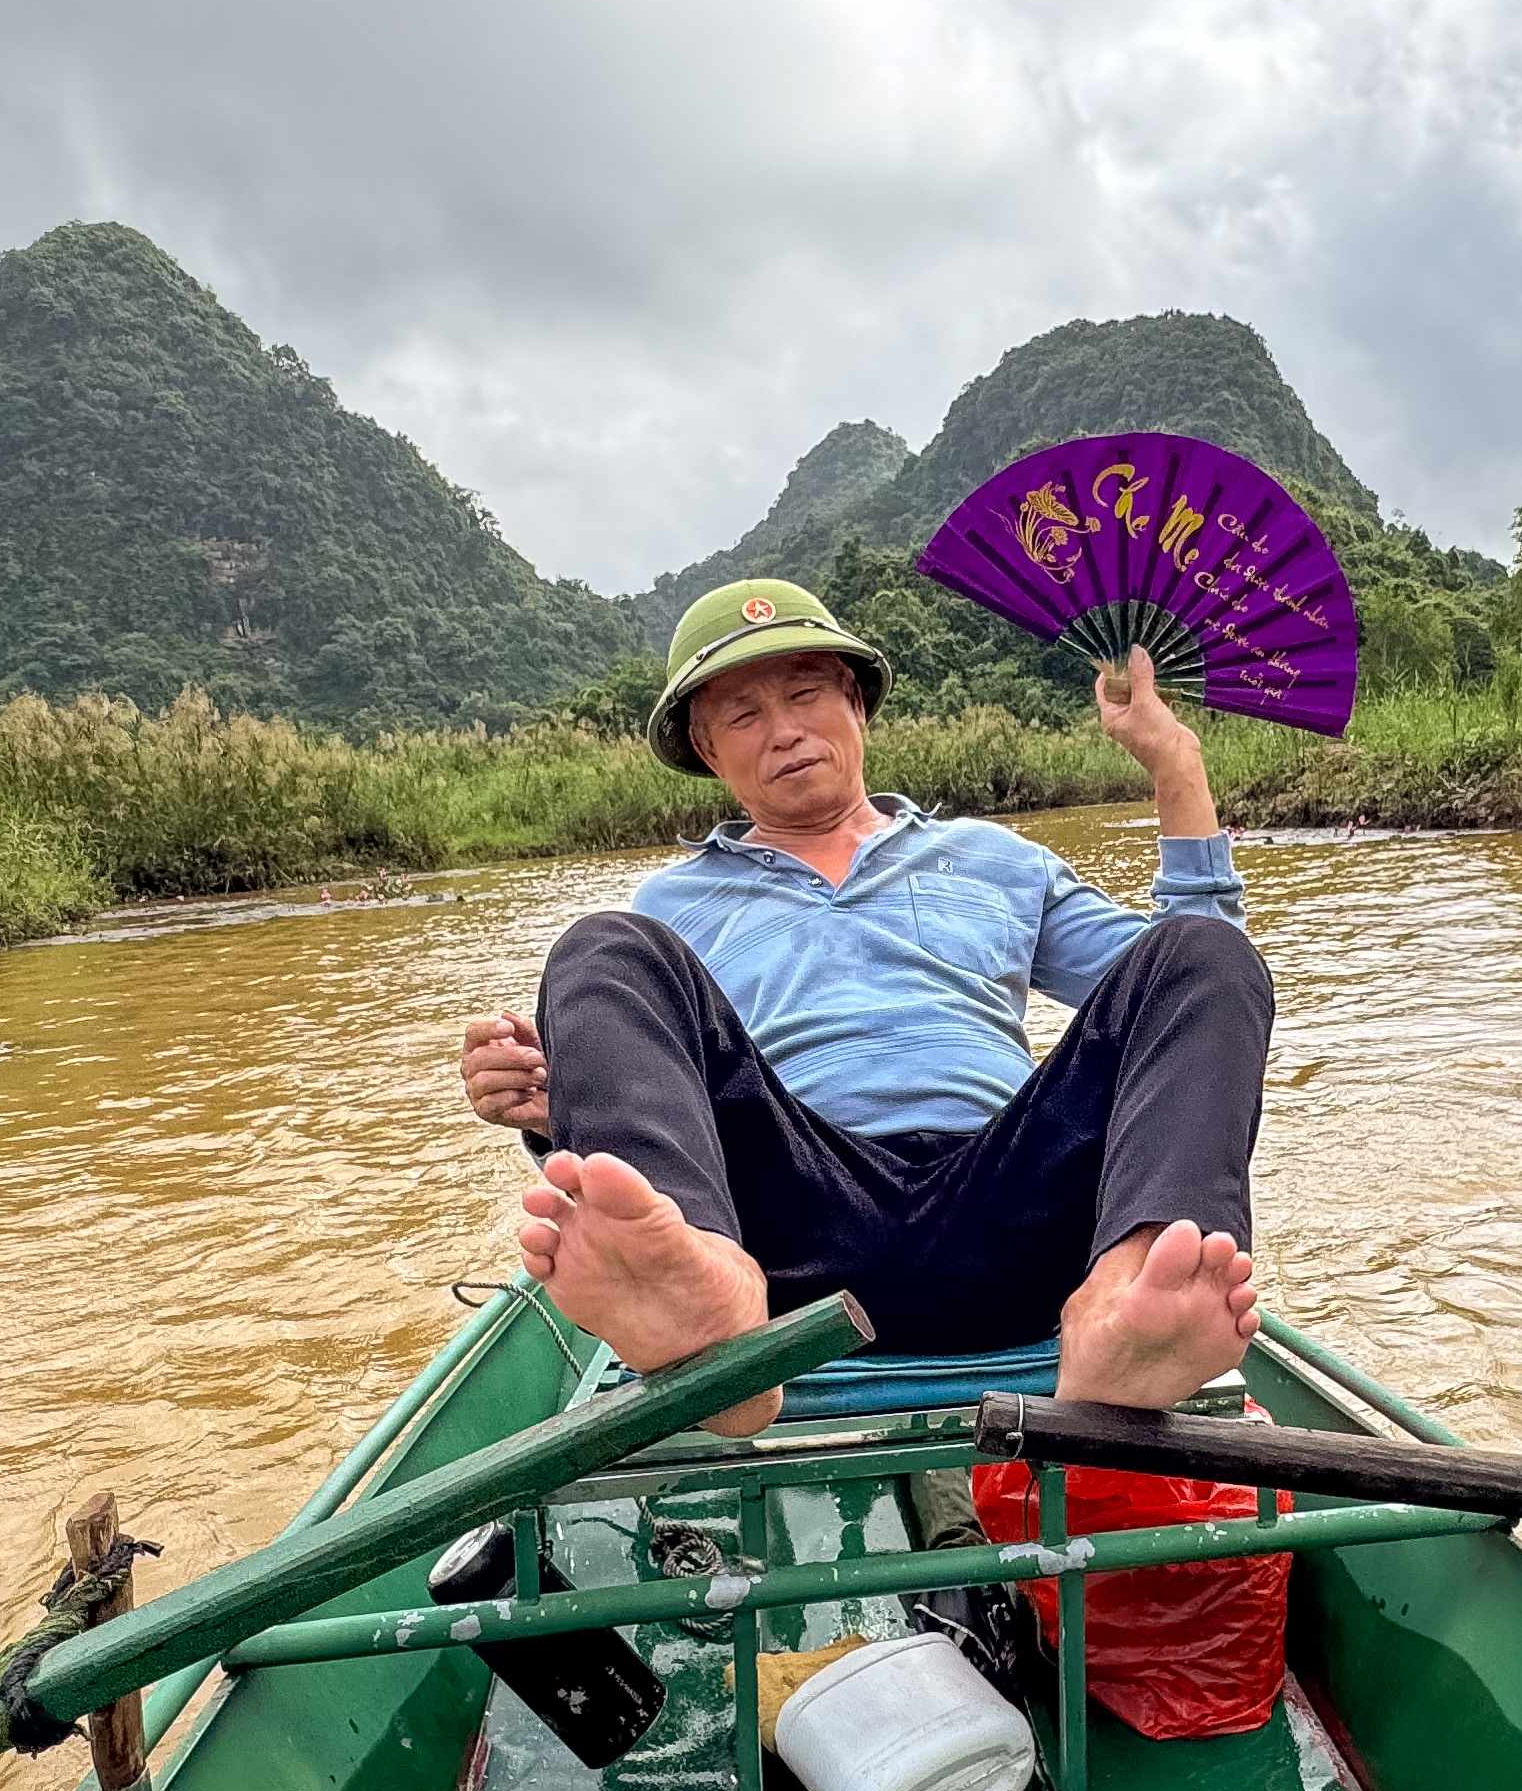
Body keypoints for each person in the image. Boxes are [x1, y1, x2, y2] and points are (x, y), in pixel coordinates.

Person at [459, 577, 1271, 1435]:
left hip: (1016, 1211)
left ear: (854, 701)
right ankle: (703, 1313)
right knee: (598, 945)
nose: (784, 731)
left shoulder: (995, 857)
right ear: (707, 748)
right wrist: (552, 1098)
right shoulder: (669, 907)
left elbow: (1189, 993)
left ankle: (1131, 1299)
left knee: (1206, 952)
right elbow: (643, 1091)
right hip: (789, 1238)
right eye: (743, 716)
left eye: (806, 694)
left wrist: (1175, 764)